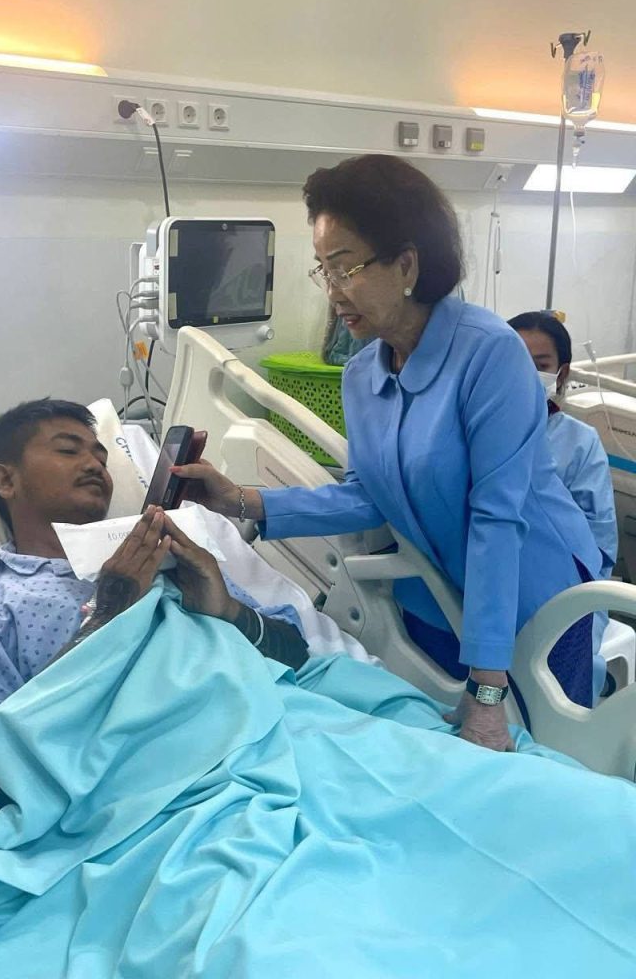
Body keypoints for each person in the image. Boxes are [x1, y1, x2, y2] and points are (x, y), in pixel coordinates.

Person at [173, 154, 603, 752]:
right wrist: (242, 501)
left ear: (406, 264)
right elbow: (367, 497)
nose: (333, 292)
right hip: (435, 602)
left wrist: (487, 687)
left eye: (345, 267)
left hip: (530, 600)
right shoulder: (363, 375)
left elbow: (498, 520)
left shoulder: (489, 354)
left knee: (549, 760)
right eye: (323, 270)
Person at [0, 399, 308, 813]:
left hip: (284, 742)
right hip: (156, 798)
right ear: (6, 480)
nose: (94, 465)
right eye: (68, 450)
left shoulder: (171, 555)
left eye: (101, 457)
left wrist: (228, 612)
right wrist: (106, 618)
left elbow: (298, 658)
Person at [509, 310, 618, 698]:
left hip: (564, 588)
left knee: (556, 690)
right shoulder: (471, 431)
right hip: (486, 580)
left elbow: (598, 546)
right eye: (514, 361)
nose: (525, 375)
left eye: (540, 365)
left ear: (562, 372)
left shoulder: (578, 442)